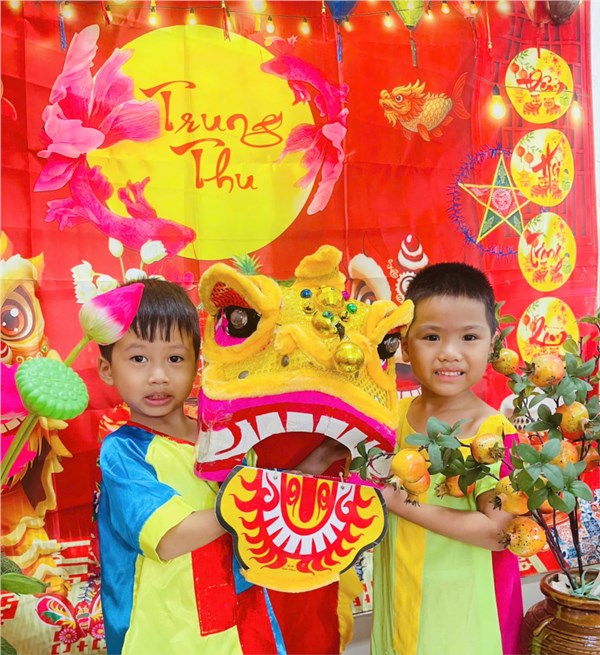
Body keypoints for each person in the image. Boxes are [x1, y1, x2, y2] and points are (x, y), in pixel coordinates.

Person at [97, 280, 281, 655]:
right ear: (106, 369)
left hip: (242, 625)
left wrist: (313, 467)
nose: (159, 375)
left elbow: (264, 499)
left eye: (175, 359)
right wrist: (254, 500)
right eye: (139, 359)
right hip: (164, 636)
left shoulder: (223, 436)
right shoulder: (123, 452)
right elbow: (169, 539)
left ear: (197, 364)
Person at [371, 263, 523, 655]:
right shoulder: (391, 419)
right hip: (400, 604)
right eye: (432, 336)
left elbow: (497, 532)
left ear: (492, 344)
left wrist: (398, 502)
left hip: (465, 620)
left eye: (469, 337)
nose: (449, 353)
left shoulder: (493, 434)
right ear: (405, 345)